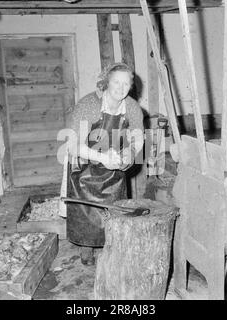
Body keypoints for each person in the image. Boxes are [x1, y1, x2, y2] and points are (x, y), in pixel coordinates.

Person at [65, 63, 144, 265]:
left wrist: (129, 154)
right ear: (106, 82)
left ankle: (112, 246)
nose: (121, 87)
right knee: (86, 210)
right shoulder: (89, 105)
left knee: (113, 210)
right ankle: (86, 247)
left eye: (126, 83)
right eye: (116, 82)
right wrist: (102, 158)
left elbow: (137, 139)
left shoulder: (133, 108)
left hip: (114, 166)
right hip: (84, 165)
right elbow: (74, 146)